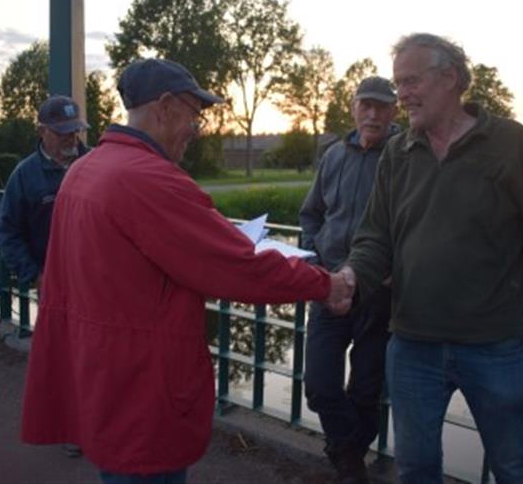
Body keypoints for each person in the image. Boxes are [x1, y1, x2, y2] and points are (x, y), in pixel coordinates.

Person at [20, 58, 355, 484]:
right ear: (164, 107)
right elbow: (239, 267)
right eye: (194, 114)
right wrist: (326, 284)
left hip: (100, 378)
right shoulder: (149, 179)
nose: (196, 129)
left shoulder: (83, 171)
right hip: (144, 391)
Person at [340, 33, 523, 483]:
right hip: (412, 344)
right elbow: (374, 238)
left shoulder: (510, 142)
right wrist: (351, 277)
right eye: (398, 83)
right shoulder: (398, 153)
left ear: (450, 78)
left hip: (497, 344)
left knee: (513, 465)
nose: (401, 94)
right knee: (415, 467)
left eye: (411, 81)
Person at [300, 76, 399, 483]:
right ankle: (349, 456)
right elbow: (311, 214)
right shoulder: (334, 155)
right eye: (365, 105)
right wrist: (315, 263)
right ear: (354, 107)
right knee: (319, 385)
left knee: (366, 391)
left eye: (381, 106)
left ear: (394, 111)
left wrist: (394, 271)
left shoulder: (405, 156)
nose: (372, 114)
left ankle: (348, 465)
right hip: (328, 286)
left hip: (379, 293)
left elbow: (417, 225)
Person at [0, 95, 89, 291]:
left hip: (96, 281)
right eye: (62, 132)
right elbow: (9, 232)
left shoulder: (97, 163)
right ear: (41, 131)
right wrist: (36, 277)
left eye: (75, 130)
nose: (71, 138)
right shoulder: (24, 175)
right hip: (53, 284)